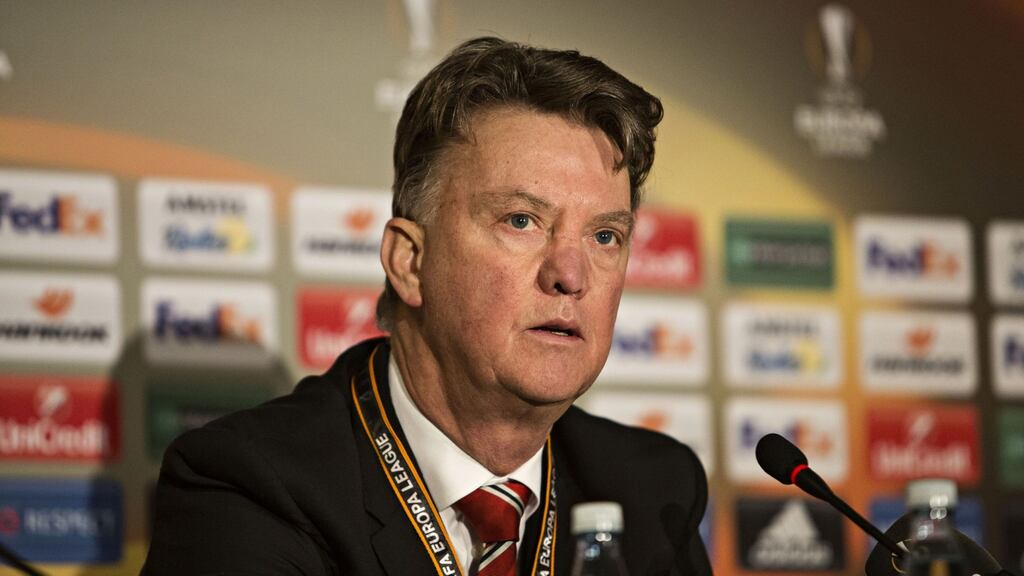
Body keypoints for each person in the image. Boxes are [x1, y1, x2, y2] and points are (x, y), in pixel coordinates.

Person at [143, 36, 711, 576]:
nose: (570, 274)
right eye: (521, 221)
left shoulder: (654, 492)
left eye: (605, 236)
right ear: (409, 261)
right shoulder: (252, 488)